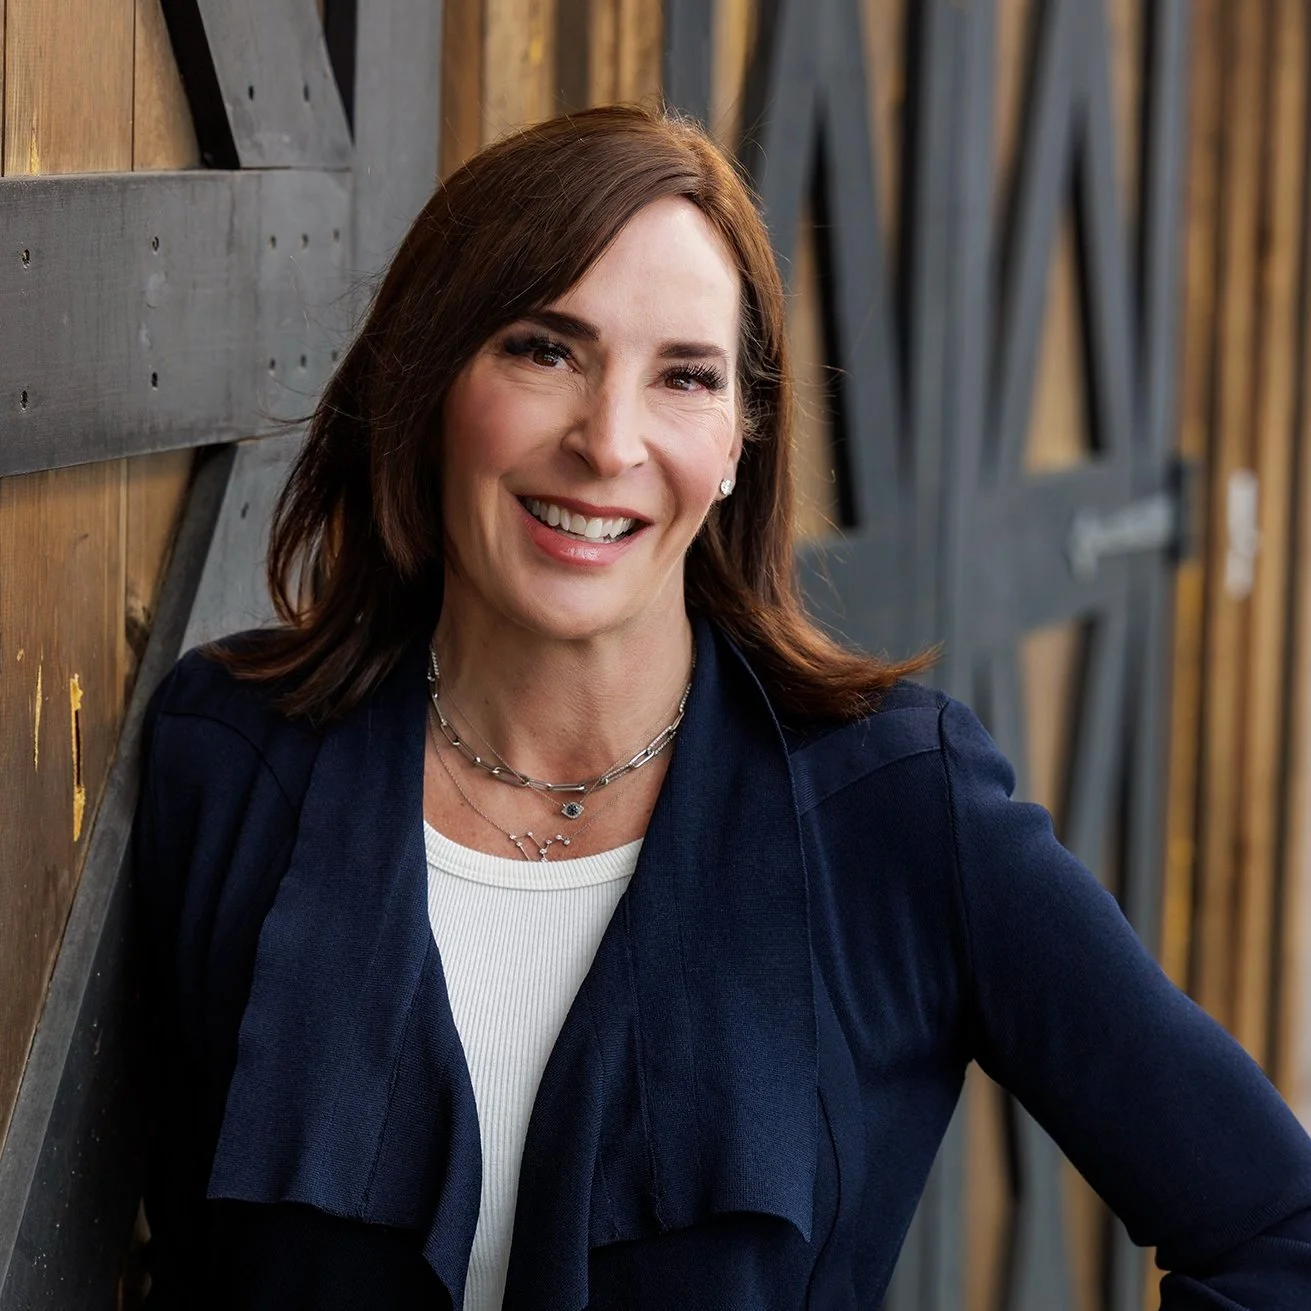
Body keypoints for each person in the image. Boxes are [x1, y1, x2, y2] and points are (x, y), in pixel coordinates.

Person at [131, 103, 1311, 1310]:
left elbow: (1284, 1234)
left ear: (740, 441)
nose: (609, 442)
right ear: (430, 377)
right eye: (545, 350)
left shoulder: (901, 812)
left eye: (684, 376)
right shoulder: (228, 761)